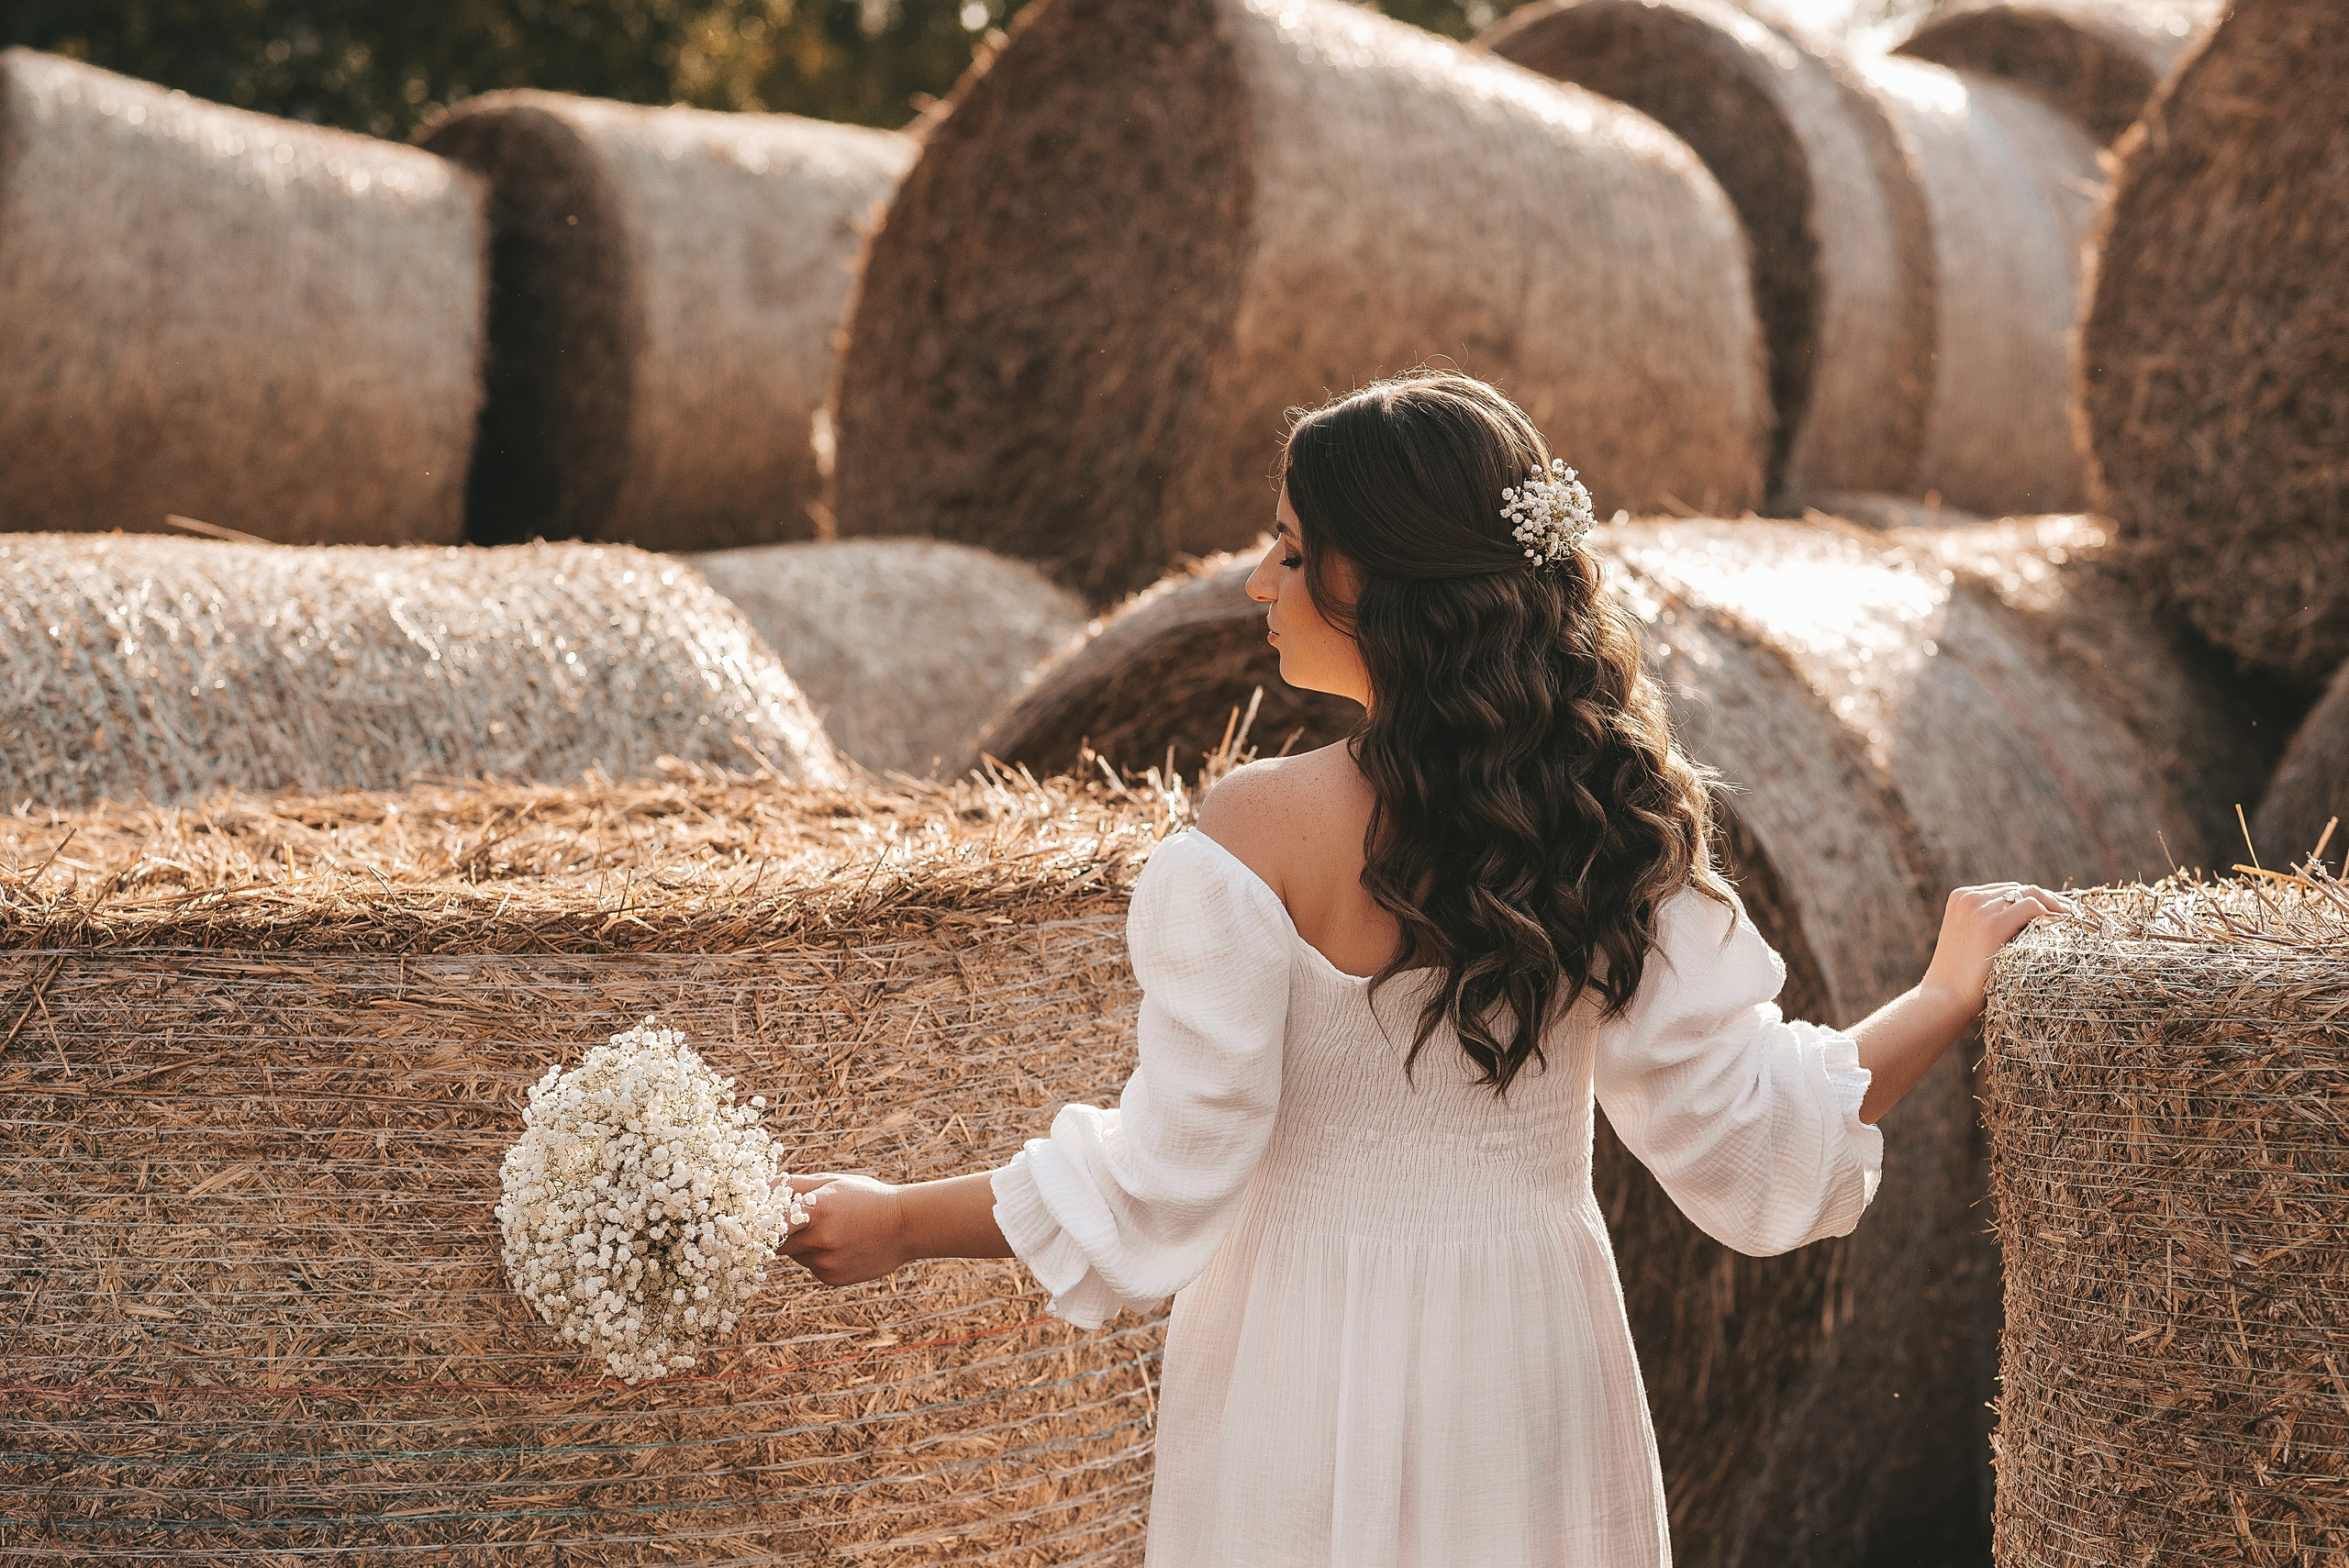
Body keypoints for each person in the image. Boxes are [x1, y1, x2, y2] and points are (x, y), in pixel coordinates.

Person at [775, 371, 2068, 1566]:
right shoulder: (1607, 825)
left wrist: (896, 1222)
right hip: (1531, 1360)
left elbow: (1161, 1176)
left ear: (1378, 579)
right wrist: (1942, 992)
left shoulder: (1255, 832)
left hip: (1296, 1358)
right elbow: (1756, 1130)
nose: (1255, 581)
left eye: (1291, 549)